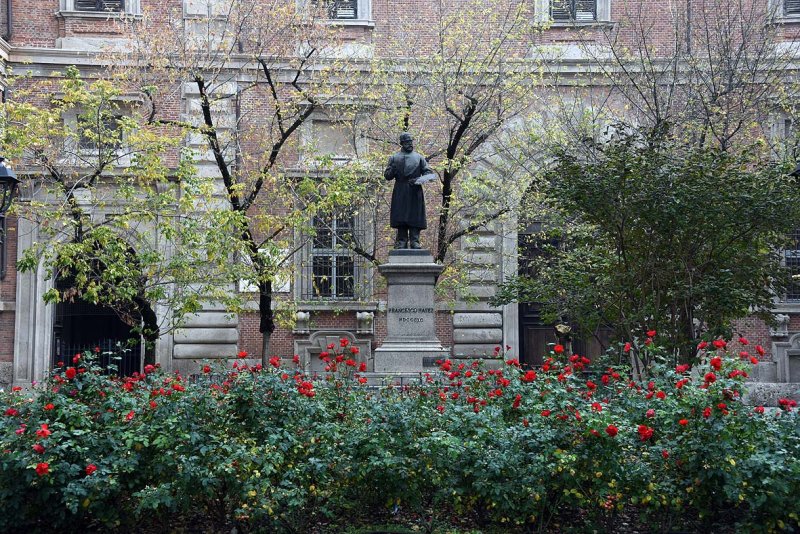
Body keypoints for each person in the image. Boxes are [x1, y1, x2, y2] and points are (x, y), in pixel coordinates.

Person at [384, 133, 433, 249]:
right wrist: (392, 169)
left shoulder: (419, 158)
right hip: (400, 190)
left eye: (411, 142)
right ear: (402, 143)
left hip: (415, 191)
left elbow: (429, 174)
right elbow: (387, 176)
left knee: (415, 215)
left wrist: (418, 180)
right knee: (401, 215)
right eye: (407, 142)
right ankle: (402, 241)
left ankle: (415, 240)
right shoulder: (394, 158)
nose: (410, 144)